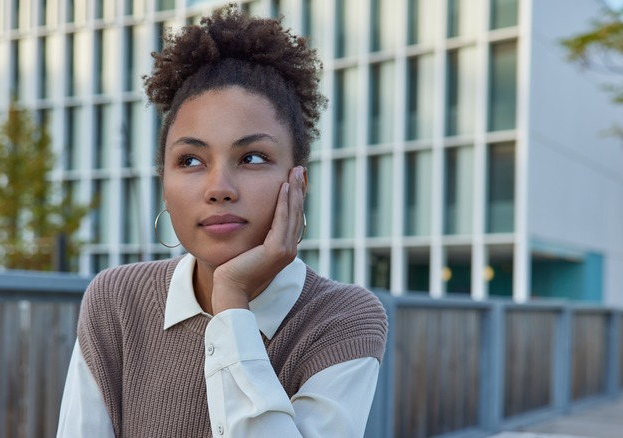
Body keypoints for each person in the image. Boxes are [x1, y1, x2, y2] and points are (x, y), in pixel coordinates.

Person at [57, 5, 387, 437]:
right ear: (165, 183)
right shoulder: (116, 301)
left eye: (252, 158)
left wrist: (232, 301)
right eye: (190, 160)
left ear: (297, 182)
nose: (219, 188)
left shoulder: (343, 319)